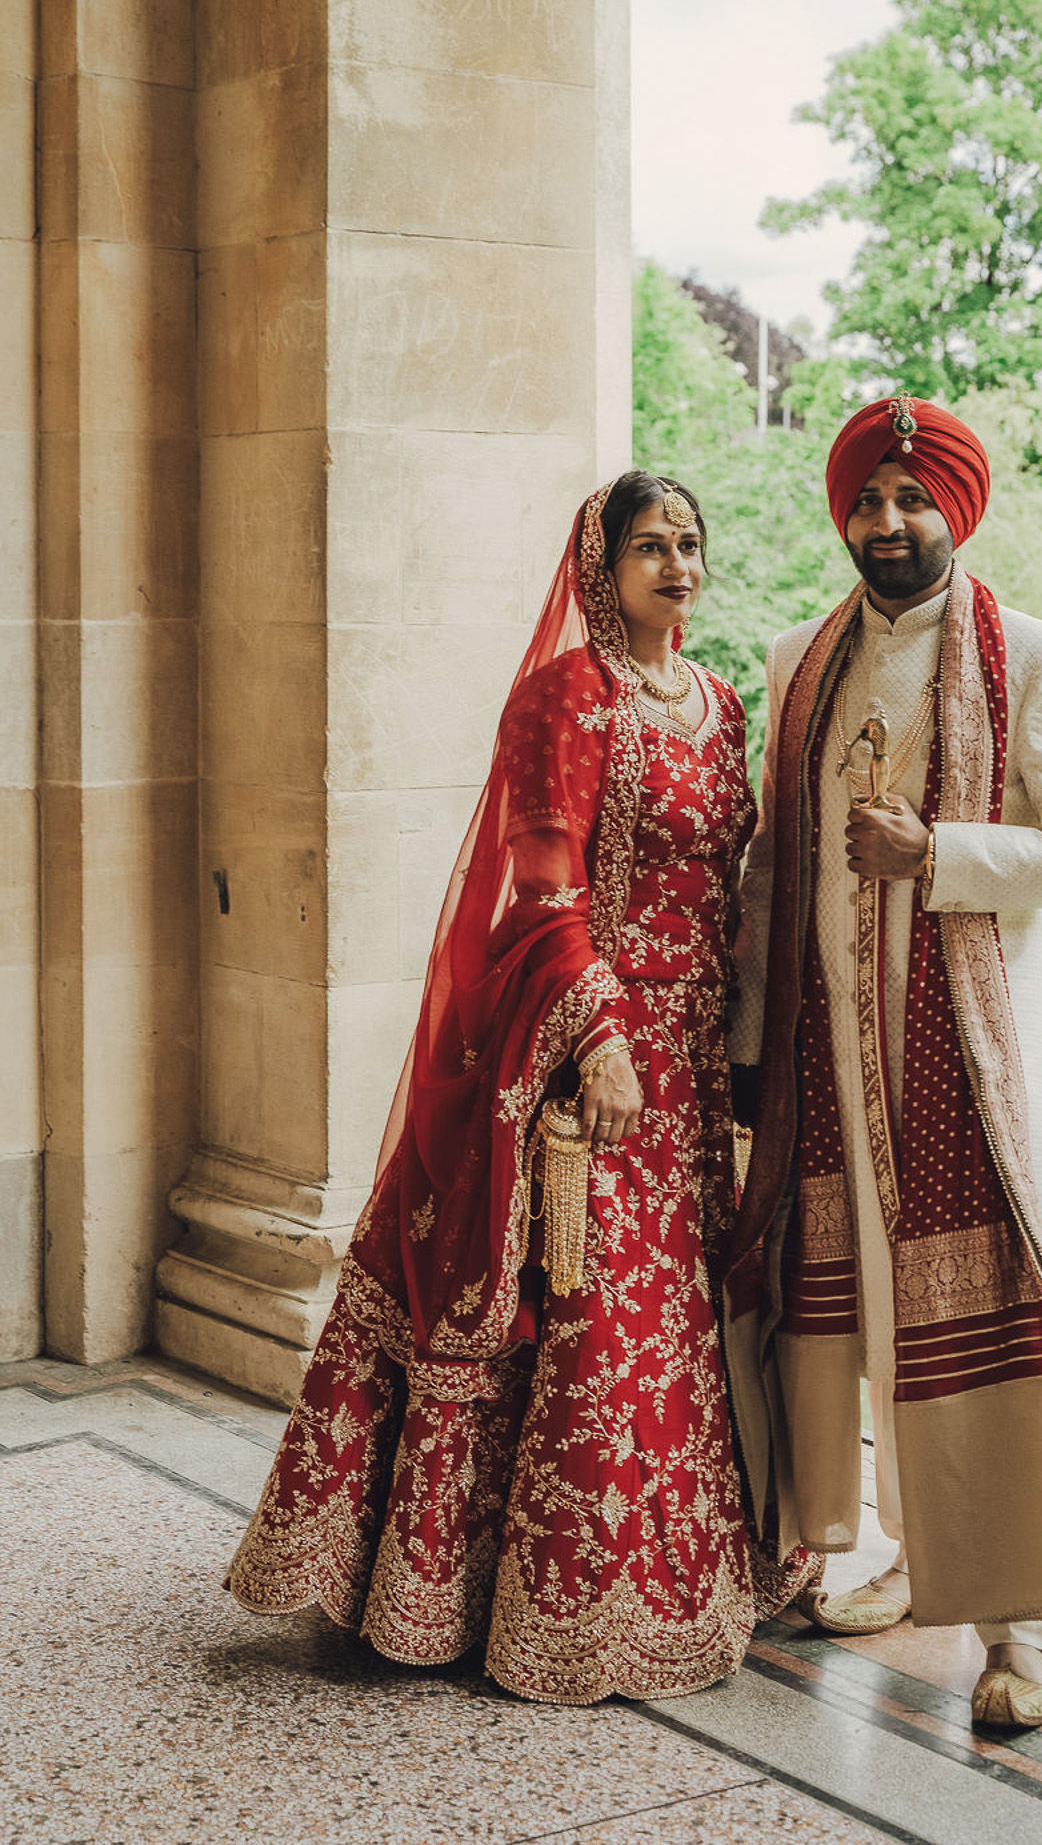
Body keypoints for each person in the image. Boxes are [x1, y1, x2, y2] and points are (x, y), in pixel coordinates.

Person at [228, 471, 814, 1704]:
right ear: (599, 567)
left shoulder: (715, 702)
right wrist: (599, 1034)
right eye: (649, 545)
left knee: (683, 1317)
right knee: (591, 1309)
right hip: (589, 1062)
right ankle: (536, 1596)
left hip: (697, 1064)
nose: (678, 565)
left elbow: (735, 886)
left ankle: (684, 1574)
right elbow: (540, 879)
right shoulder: (567, 694)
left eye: (691, 544)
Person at [725, 395, 1042, 1728]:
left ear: (957, 510)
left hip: (960, 1070)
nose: (886, 523)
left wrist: (938, 857)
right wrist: (743, 1046)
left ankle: (1022, 1632)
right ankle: (902, 1556)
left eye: (912, 499)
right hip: (825, 1070)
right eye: (866, 499)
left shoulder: (1040, 660)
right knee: (864, 1325)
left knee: (984, 1325)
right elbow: (772, 870)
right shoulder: (801, 660)